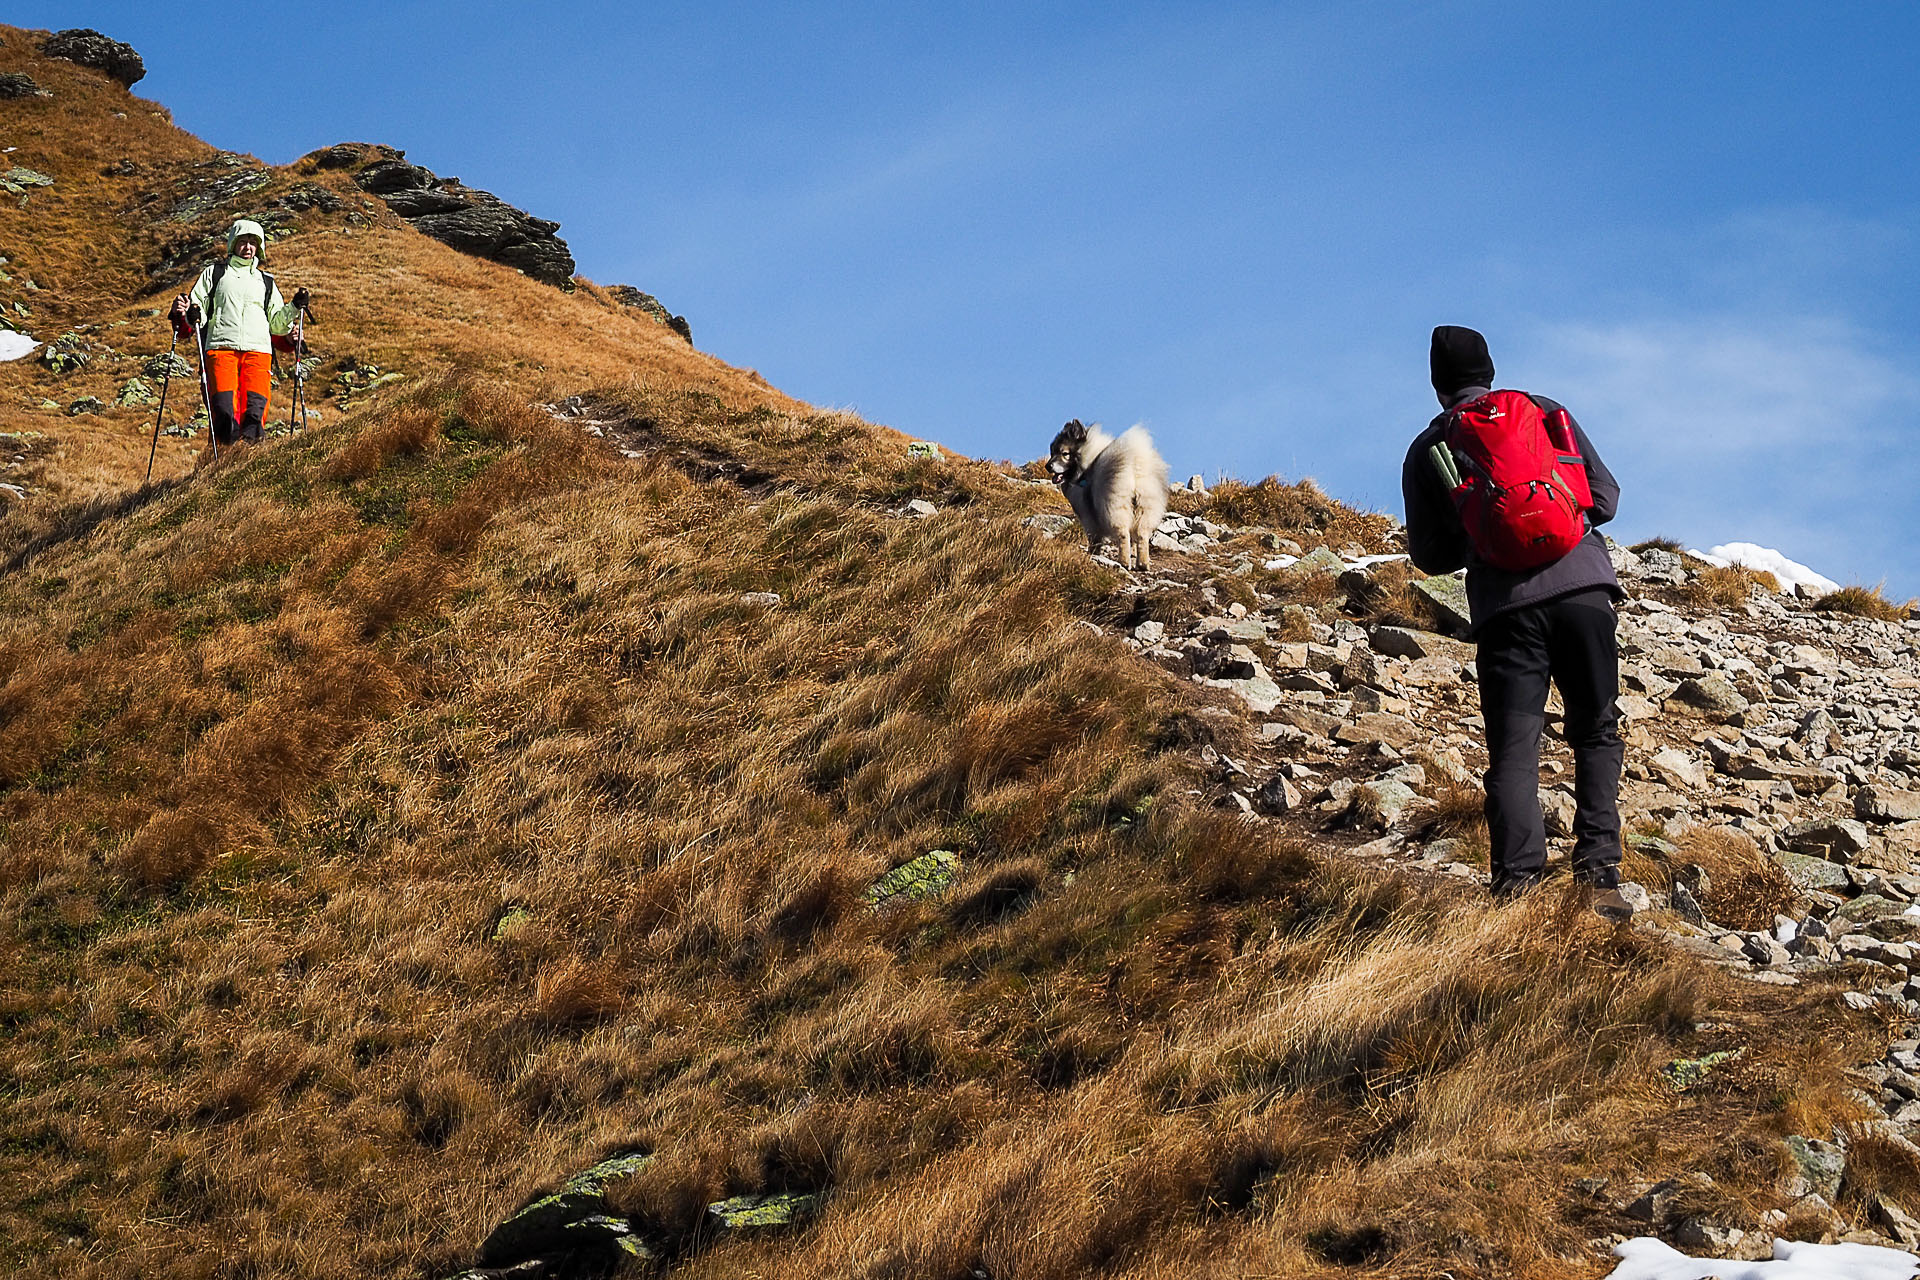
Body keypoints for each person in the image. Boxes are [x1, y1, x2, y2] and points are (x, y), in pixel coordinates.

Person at [1400, 325, 1631, 916]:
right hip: (1584, 593)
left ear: (1436, 384)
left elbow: (1428, 556)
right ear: (1491, 369)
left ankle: (1517, 887)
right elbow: (1604, 498)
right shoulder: (1546, 413)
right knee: (1596, 730)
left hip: (1507, 613)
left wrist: (1483, 532)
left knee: (1514, 750)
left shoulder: (1431, 448)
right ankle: (1599, 874)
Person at [168, 220, 311, 446]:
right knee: (225, 413)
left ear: (259, 248)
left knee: (254, 414)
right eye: (243, 242)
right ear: (233, 244)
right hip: (220, 350)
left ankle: (248, 472)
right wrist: (190, 314)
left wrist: (294, 307)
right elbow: (199, 312)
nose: (248, 247)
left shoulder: (266, 282)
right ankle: (222, 468)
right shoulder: (214, 274)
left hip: (259, 353)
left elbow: (276, 324)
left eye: (253, 243)